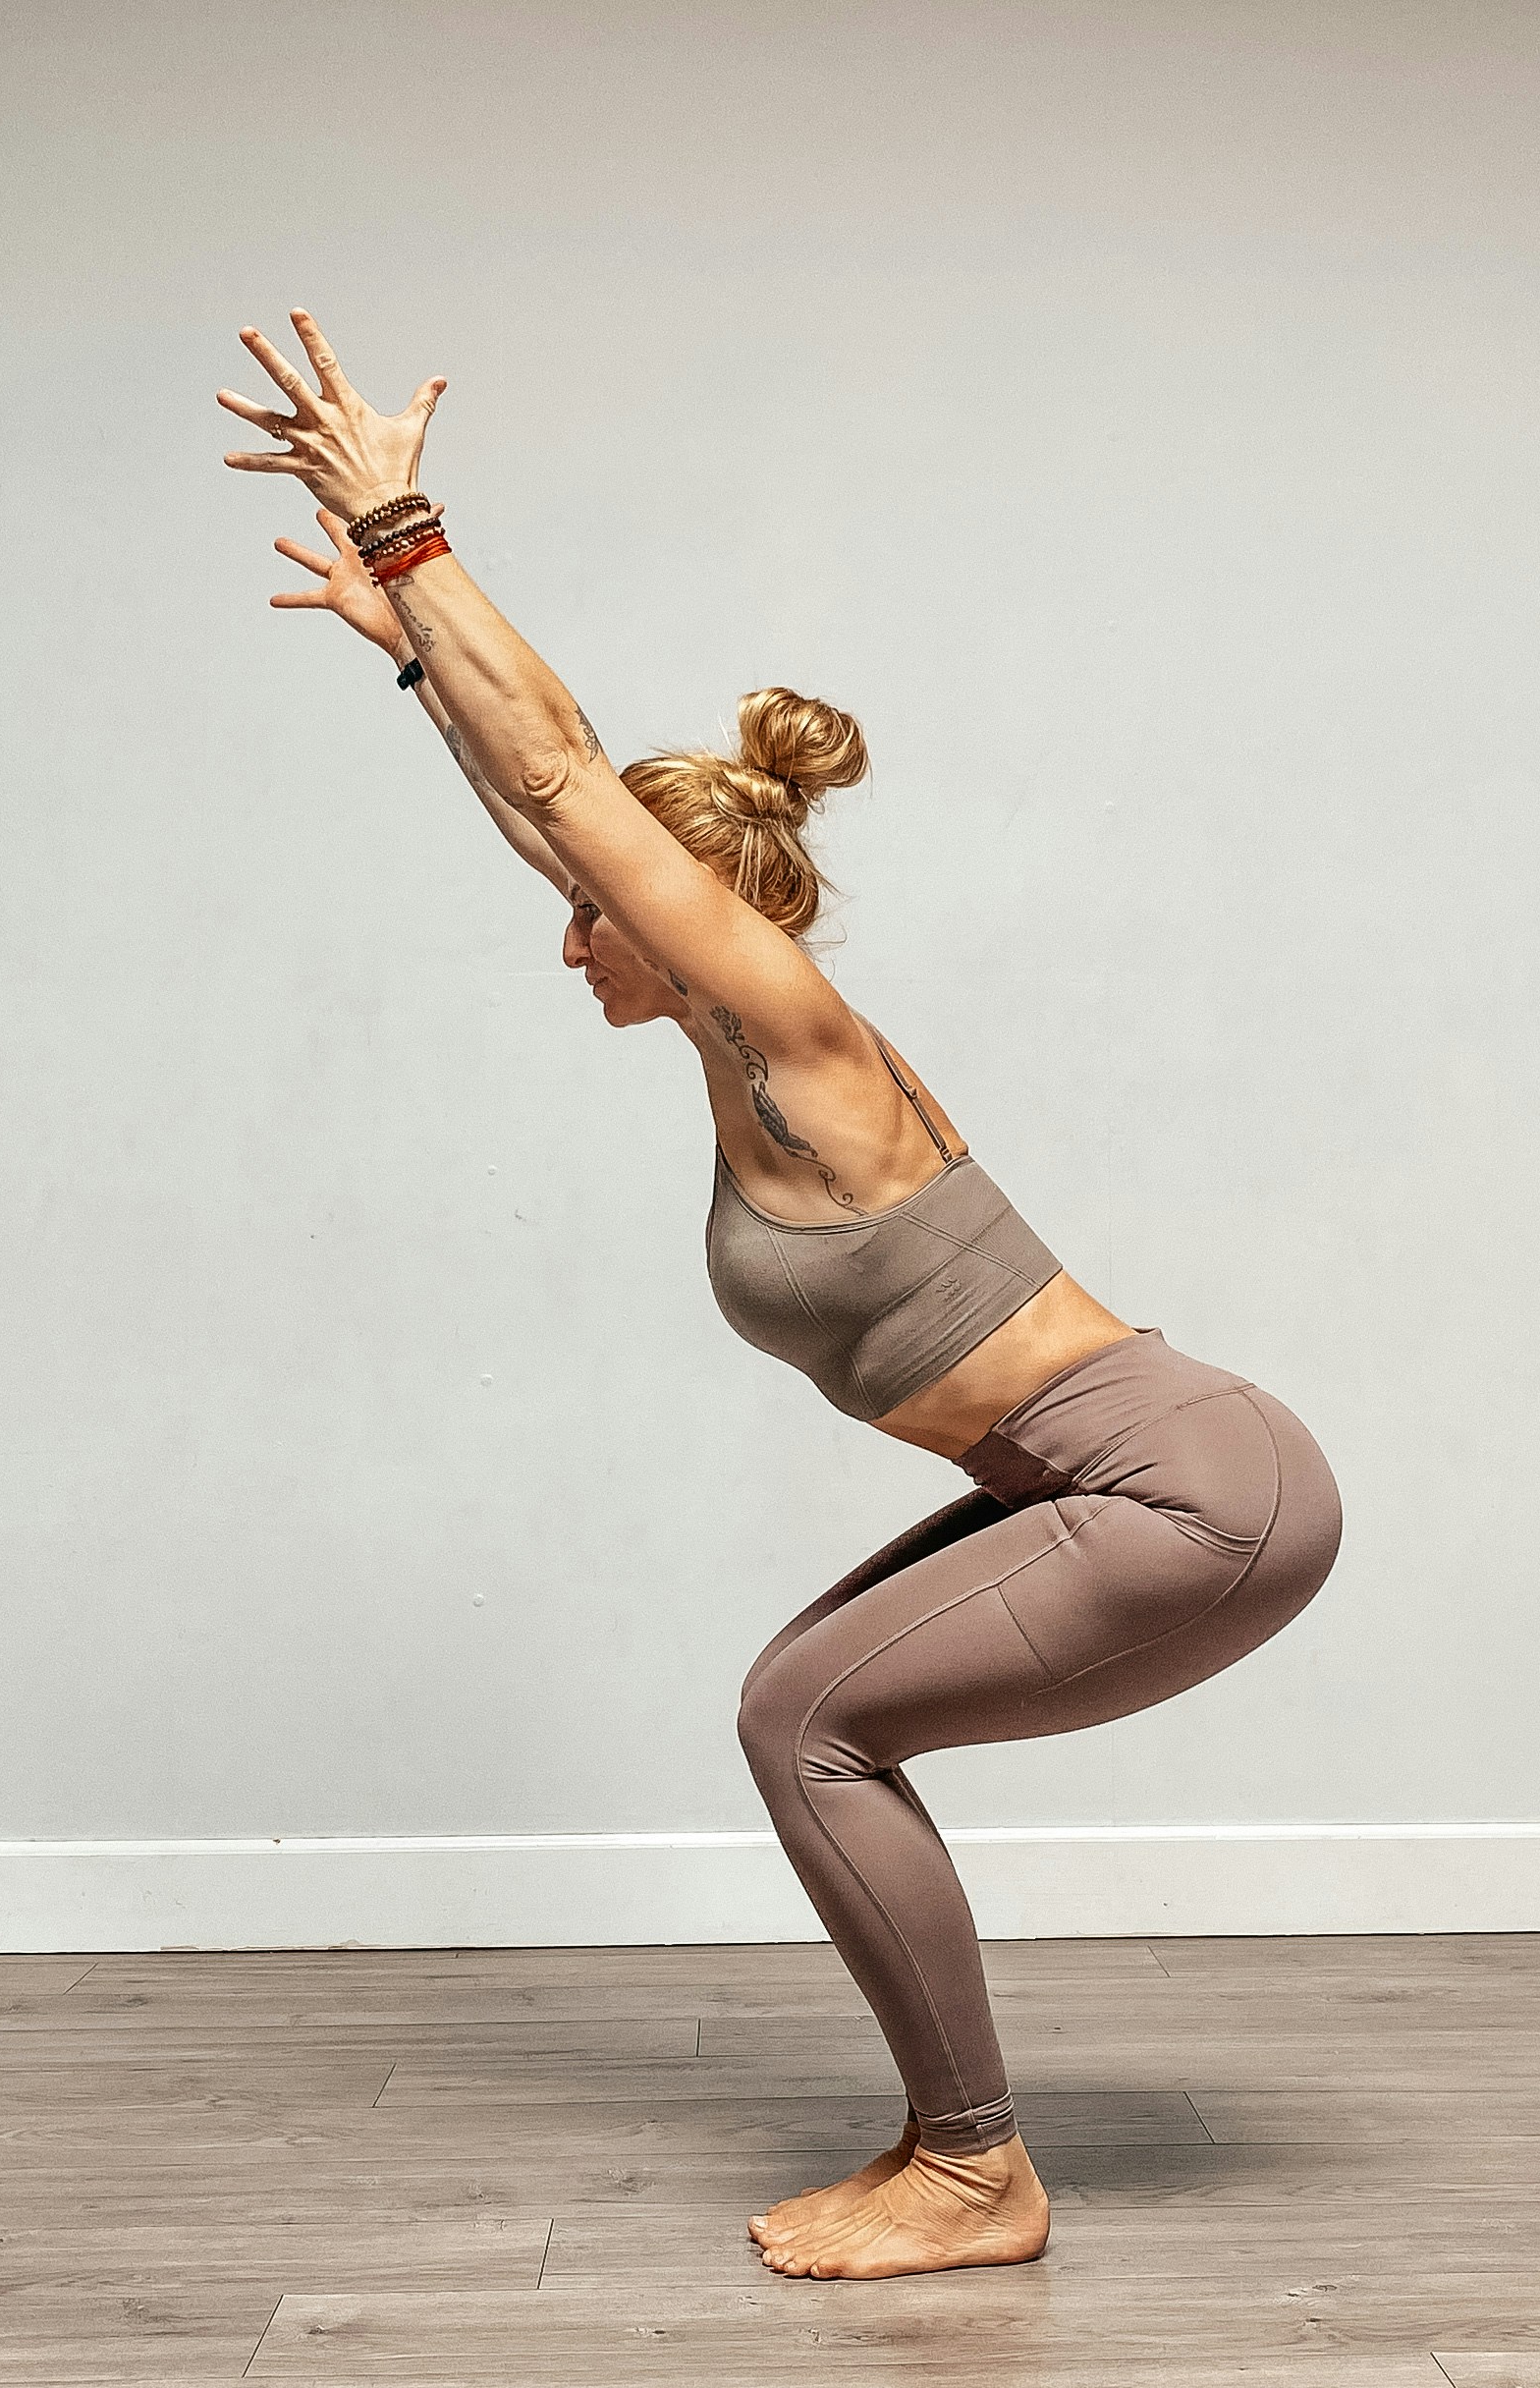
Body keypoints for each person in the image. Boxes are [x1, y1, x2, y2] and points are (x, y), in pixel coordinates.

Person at [220, 308, 1343, 2281]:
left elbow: (569, 781)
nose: (566, 940)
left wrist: (410, 528)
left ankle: (974, 2171)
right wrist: (418, 675)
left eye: (599, 910)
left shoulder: (801, 1037)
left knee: (800, 1723)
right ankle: (957, 2155)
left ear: (676, 910)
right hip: (1124, 1474)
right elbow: (542, 803)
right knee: (799, 1712)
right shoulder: (733, 1055)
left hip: (1187, 1487)